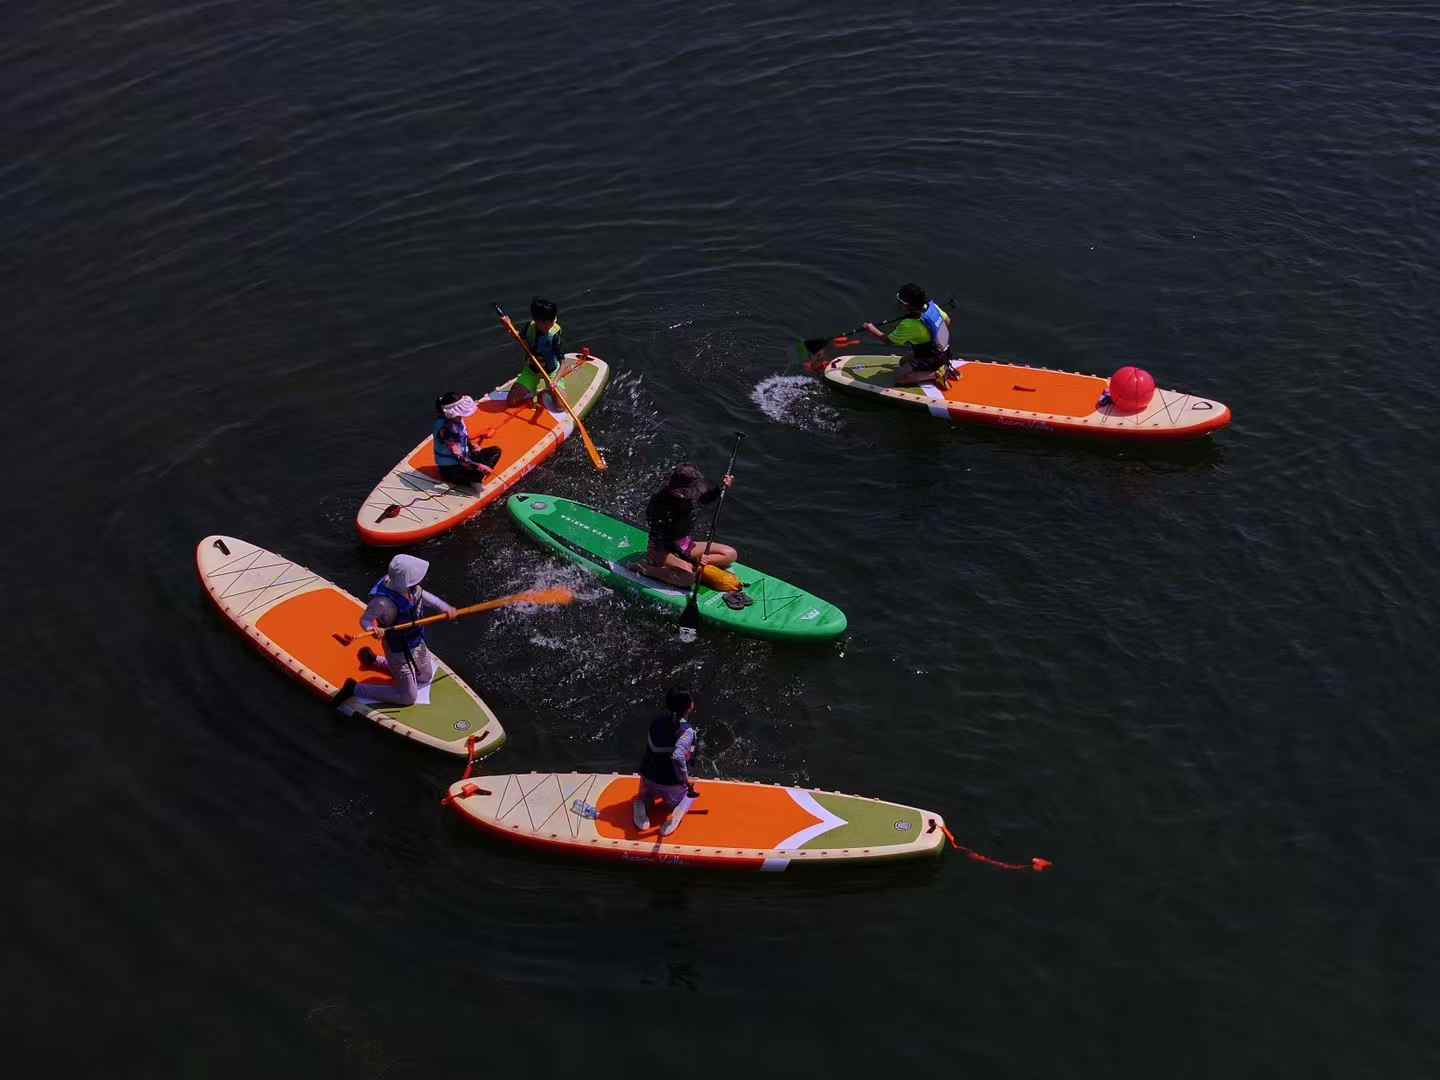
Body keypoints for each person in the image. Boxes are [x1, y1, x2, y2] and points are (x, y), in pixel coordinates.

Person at [332, 554, 455, 708]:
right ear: (406, 581)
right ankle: (355, 688)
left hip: (417, 643)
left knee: (425, 677)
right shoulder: (382, 603)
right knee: (408, 697)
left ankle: (375, 661)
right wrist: (373, 629)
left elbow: (429, 599)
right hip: (397, 652)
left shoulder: (414, 590)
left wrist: (446, 609)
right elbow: (365, 620)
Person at [637, 463, 736, 588]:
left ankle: (694, 565)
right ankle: (645, 568)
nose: (688, 496)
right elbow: (659, 536)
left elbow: (706, 498)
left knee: (730, 554)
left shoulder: (693, 492)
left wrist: (721, 489)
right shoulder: (659, 504)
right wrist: (682, 559)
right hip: (662, 548)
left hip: (685, 544)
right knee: (688, 578)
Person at [632, 688, 700, 831]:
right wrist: (687, 781)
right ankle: (677, 812)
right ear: (689, 707)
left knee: (648, 795)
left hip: (648, 777)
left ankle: (643, 802)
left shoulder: (656, 722)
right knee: (690, 793)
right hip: (671, 784)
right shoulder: (687, 731)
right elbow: (678, 756)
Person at [862, 282, 952, 387]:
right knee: (903, 362)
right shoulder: (933, 306)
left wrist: (871, 329)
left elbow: (889, 341)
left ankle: (936, 374)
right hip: (943, 351)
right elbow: (947, 321)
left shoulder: (908, 324)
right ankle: (939, 365)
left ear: (907, 305)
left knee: (899, 378)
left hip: (931, 356)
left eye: (900, 302)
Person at [505, 296, 566, 407]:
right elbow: (520, 339)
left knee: (560, 406)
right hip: (532, 369)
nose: (550, 325)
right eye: (545, 323)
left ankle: (543, 393)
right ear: (536, 321)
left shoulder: (554, 335)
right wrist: (509, 327)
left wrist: (555, 381)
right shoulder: (529, 327)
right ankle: (531, 390)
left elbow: (563, 363)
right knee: (511, 402)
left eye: (552, 321)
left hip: (551, 372)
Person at [432, 392, 502, 487]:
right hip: (452, 469)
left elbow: (464, 436)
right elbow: (458, 456)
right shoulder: (447, 430)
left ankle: (477, 475)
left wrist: (471, 446)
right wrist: (478, 466)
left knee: (496, 451)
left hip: (467, 457)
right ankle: (476, 478)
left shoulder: (457, 419)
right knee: (476, 473)